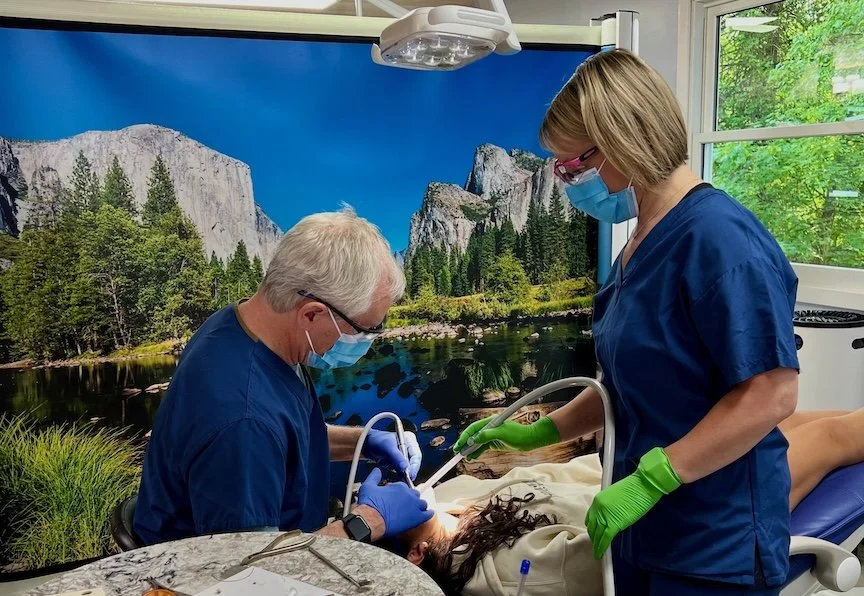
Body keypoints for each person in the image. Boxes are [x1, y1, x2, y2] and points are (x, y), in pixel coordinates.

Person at [454, 49, 801, 594]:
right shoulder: (637, 244)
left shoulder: (721, 240)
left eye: (572, 165)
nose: (568, 181)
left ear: (620, 141)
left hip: (715, 541)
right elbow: (627, 386)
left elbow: (770, 394)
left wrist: (653, 479)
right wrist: (537, 432)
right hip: (648, 530)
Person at [135, 208, 432, 546]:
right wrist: (366, 522)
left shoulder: (246, 327)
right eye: (365, 330)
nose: (366, 342)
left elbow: (288, 436)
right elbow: (251, 574)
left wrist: (364, 442)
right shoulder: (242, 421)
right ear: (312, 314)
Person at [406, 408, 864, 596]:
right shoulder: (502, 571)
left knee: (788, 418)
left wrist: (537, 434)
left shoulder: (454, 501)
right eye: (390, 511)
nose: (399, 495)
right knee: (829, 437)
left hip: (661, 479)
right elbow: (595, 562)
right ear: (416, 553)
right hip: (698, 518)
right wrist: (657, 484)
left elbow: (574, 470)